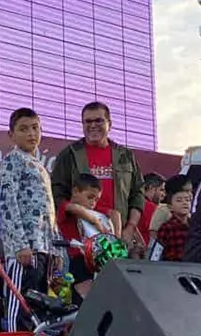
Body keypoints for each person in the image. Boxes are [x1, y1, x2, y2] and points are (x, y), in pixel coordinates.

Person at [0, 108, 65, 332]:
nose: (31, 134)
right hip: (24, 250)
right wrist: (20, 245)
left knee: (38, 309)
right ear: (11, 135)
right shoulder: (12, 161)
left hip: (43, 249)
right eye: (23, 129)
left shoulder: (41, 167)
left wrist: (56, 250)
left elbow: (49, 212)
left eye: (35, 128)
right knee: (20, 305)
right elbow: (8, 204)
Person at [50, 102, 146, 251]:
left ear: (109, 124)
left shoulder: (125, 155)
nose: (93, 125)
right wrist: (83, 214)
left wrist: (131, 227)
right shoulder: (69, 154)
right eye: (88, 121)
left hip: (119, 240)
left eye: (99, 120)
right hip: (81, 243)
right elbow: (56, 194)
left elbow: (137, 195)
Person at [56, 174, 111, 300]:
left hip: (88, 260)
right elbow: (75, 208)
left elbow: (114, 213)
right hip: (71, 259)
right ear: (75, 191)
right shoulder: (66, 207)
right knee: (76, 297)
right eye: (90, 197)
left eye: (96, 200)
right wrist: (95, 221)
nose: (93, 203)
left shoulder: (93, 212)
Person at [148, 174, 192, 262]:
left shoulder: (194, 225)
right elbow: (157, 247)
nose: (184, 203)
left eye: (187, 200)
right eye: (179, 200)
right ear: (170, 206)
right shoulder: (167, 227)